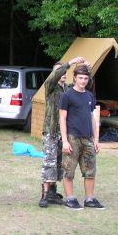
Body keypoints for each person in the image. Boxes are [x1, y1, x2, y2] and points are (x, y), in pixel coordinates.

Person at [38, 56, 86, 208]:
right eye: (59, 71)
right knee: (49, 162)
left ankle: (52, 193)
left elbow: (84, 84)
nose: (63, 73)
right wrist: (70, 63)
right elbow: (53, 76)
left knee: (60, 164)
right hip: (51, 131)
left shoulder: (68, 89)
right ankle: (44, 195)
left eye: (65, 72)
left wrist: (87, 69)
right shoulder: (50, 87)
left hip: (64, 133)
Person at [59, 65, 104, 210]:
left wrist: (96, 139)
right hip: (72, 137)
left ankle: (89, 199)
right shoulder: (67, 96)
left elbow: (92, 118)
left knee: (90, 170)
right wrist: (65, 141)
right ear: (75, 78)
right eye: (80, 78)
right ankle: (70, 199)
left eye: (85, 78)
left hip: (88, 138)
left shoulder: (89, 96)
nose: (83, 81)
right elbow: (62, 118)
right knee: (69, 170)